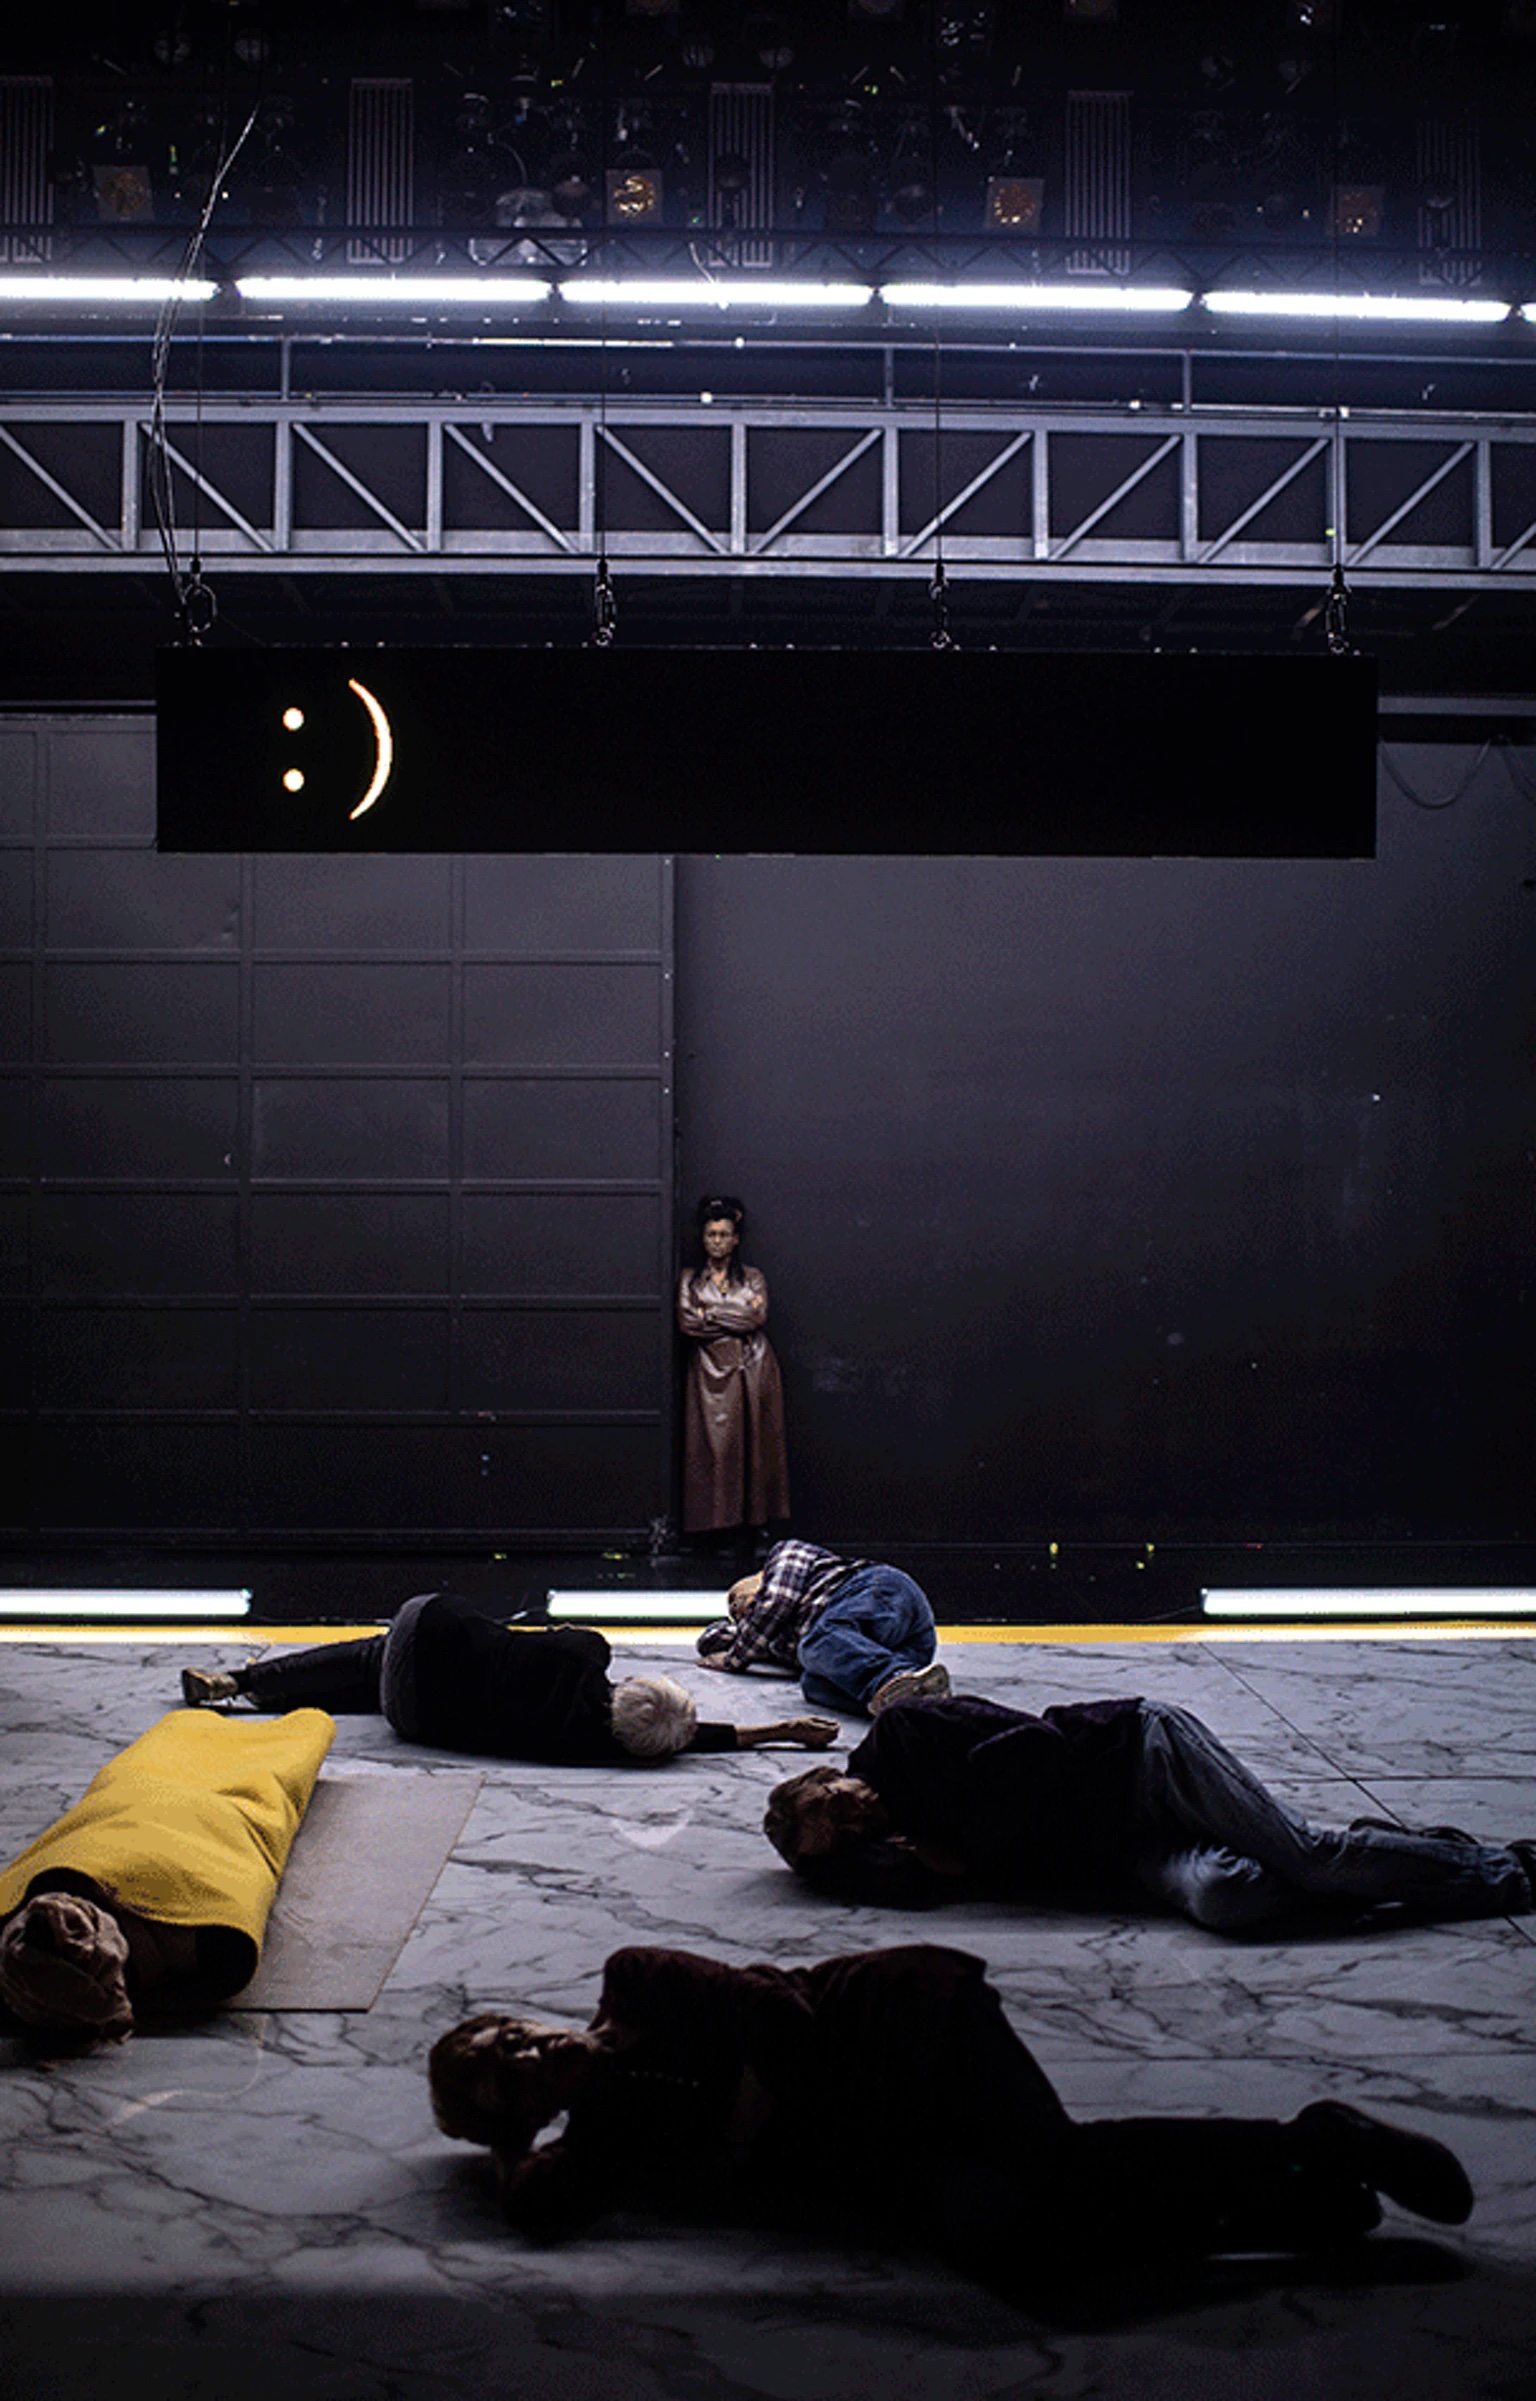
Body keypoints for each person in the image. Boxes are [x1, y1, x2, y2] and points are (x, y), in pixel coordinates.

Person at [428, 1940, 1475, 2295]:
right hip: (892, 2140)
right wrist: (510, 2141)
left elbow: (781, 2015)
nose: (529, 2053)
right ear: (525, 2118)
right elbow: (536, 2212)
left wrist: (745, 2133)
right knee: (1032, 2263)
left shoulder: (636, 1981)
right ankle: (1306, 2208)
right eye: (509, 2079)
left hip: (906, 2020)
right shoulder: (606, 2139)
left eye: (510, 2035)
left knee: (1055, 2164)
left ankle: (1319, 2144)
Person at [763, 1694, 1536, 1932]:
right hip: (1126, 1846)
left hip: (1142, 1755)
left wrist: (962, 1837)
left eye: (835, 1801)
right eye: (845, 1833)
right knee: (1230, 1898)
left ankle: (1504, 1869)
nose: (856, 1814)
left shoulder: (903, 1735)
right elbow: (911, 1879)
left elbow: (1037, 1744)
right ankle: (1400, 1854)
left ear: (829, 1774)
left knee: (1306, 1855)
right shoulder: (898, 1849)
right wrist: (849, 1859)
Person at [180, 1591, 838, 1764]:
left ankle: (237, 1679)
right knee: (379, 1686)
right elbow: (691, 1739)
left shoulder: (587, 1655)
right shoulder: (594, 1746)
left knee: (369, 1657)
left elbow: (574, 1636)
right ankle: (254, 1693)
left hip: (424, 1631)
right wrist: (775, 1731)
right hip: (413, 1716)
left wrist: (783, 1728)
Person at [0, 1705, 333, 2047]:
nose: (59, 1913)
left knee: (158, 1756)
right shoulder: (218, 1946)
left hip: (126, 1801)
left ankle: (201, 1718)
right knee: (268, 1771)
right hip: (209, 1819)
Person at [696, 1536, 951, 1717]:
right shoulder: (771, 1636)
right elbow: (713, 1640)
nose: (735, 1607)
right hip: (893, 1652)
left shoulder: (786, 1554)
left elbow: (776, 1602)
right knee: (813, 1684)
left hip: (879, 1592)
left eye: (735, 1596)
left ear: (758, 1577)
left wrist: (733, 1659)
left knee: (816, 1641)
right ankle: (911, 1701)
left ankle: (890, 1677)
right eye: (733, 1613)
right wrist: (737, 1636)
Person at [676, 1194, 789, 1544]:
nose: (717, 1241)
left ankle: (754, 1527)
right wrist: (734, 1316)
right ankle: (716, 1530)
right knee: (715, 1449)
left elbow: (756, 1317)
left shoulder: (752, 1277)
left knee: (755, 1445)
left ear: (735, 1238)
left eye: (724, 1235)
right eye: (711, 1235)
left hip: (751, 1366)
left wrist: (709, 1314)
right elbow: (687, 1322)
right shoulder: (690, 1279)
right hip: (709, 1371)